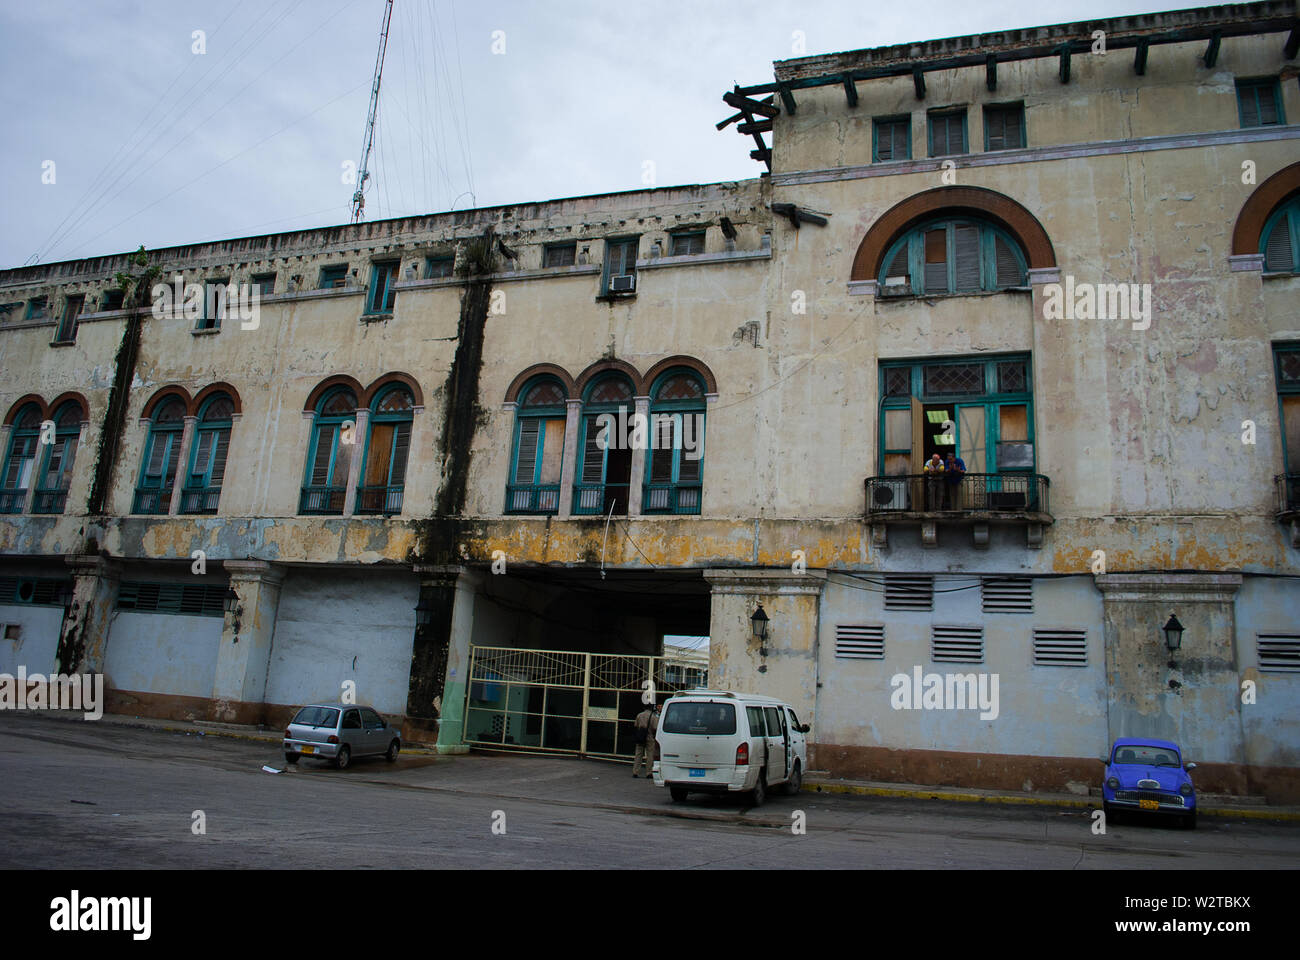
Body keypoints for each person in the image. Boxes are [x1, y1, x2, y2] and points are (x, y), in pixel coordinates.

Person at [632, 701, 658, 778]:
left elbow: (636, 726)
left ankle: (635, 772)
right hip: (649, 737)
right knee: (650, 755)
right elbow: (655, 728)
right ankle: (648, 772)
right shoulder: (653, 717)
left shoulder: (639, 715)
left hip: (640, 737)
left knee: (638, 754)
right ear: (651, 708)